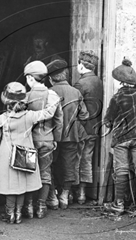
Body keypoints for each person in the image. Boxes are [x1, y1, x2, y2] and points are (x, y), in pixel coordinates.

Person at [0, 82, 59, 224]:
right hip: (25, 154)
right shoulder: (30, 116)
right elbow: (48, 113)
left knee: (10, 186)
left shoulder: (2, 119)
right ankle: (19, 213)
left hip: (6, 154)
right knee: (22, 185)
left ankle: (10, 214)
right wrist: (53, 96)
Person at [103, 59, 136, 216]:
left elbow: (108, 120)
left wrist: (108, 121)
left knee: (121, 169)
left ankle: (118, 205)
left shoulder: (117, 97)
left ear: (121, 82)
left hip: (121, 139)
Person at [46, 59, 89, 209]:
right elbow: (85, 115)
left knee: (50, 165)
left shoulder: (49, 92)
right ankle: (65, 195)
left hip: (52, 136)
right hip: (72, 136)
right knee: (69, 166)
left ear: (51, 78)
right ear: (66, 76)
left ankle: (53, 196)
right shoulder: (75, 92)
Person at [23, 60, 63, 218]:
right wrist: (56, 139)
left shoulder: (25, 97)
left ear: (30, 78)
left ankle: (29, 207)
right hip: (47, 139)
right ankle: (41, 206)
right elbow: (59, 120)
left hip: (29, 141)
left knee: (28, 172)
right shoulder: (52, 95)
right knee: (46, 172)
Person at [73, 50, 103, 204]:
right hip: (95, 127)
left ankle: (75, 192)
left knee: (76, 159)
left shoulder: (80, 83)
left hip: (82, 128)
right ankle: (83, 193)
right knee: (87, 158)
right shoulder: (98, 81)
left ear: (81, 65)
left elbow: (74, 107)